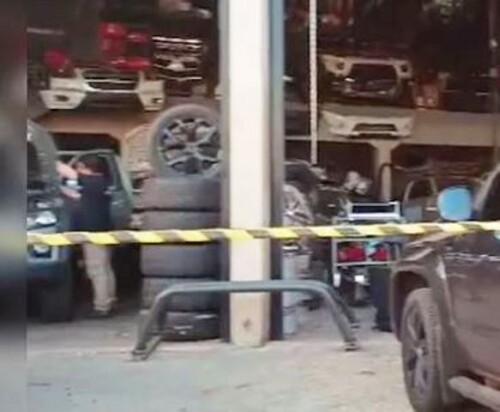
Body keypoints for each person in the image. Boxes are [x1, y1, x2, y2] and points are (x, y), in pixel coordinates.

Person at [75, 156, 117, 318]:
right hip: (104, 229)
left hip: (93, 232)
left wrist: (53, 161)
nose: (78, 171)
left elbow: (69, 174)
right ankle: (110, 300)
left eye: (80, 167)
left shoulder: (91, 182)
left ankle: (101, 307)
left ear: (86, 167)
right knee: (105, 268)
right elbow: (80, 196)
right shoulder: (102, 182)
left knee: (96, 270)